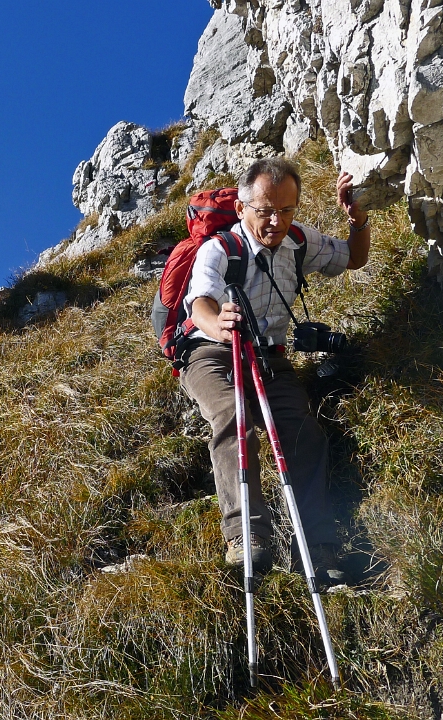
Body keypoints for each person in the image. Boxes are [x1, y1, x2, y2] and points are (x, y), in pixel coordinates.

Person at [177, 156, 370, 584]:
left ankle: (318, 548)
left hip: (268, 356)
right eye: (265, 210)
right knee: (233, 416)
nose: (275, 221)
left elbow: (354, 259)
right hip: (209, 352)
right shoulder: (221, 248)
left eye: (286, 210)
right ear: (242, 208)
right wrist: (219, 324)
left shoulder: (300, 242)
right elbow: (201, 302)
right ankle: (245, 533)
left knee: (301, 430)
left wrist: (357, 221)